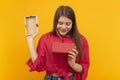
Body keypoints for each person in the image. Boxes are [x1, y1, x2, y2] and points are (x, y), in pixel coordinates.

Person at [26, 5, 90, 80]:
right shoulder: (45, 38)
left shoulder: (81, 40)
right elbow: (38, 65)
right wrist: (30, 40)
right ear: (55, 22)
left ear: (73, 23)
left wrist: (73, 64)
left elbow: (84, 68)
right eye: (60, 23)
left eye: (68, 24)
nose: (63, 27)